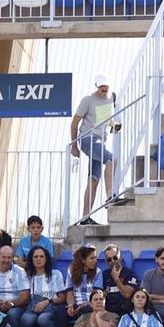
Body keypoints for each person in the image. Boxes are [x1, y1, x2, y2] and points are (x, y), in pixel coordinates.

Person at [70, 75, 119, 223]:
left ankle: (85, 217)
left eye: (106, 86)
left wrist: (114, 125)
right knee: (111, 159)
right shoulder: (88, 100)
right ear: (97, 86)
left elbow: (103, 119)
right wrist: (74, 145)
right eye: (101, 86)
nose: (104, 89)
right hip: (88, 139)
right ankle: (110, 195)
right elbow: (74, 123)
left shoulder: (108, 100)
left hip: (99, 142)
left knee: (93, 179)